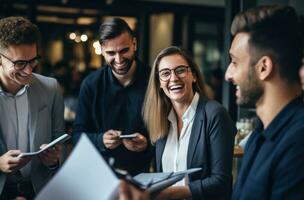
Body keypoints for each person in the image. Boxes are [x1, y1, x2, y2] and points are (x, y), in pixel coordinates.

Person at [225, 5, 304, 199]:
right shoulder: (259, 135)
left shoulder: (298, 143)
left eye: (235, 62)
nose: (228, 74)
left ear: (264, 67)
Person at [143, 46, 236, 200]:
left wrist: (167, 194)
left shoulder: (215, 114)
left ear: (193, 75)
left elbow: (221, 182)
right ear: (159, 83)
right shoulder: (160, 120)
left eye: (180, 70)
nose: (173, 78)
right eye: (165, 73)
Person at [72, 18, 152, 175]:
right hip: (98, 173)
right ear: (101, 50)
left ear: (134, 44)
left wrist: (146, 145)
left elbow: (169, 134)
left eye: (124, 50)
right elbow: (76, 136)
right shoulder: (91, 84)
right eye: (111, 53)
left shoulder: (154, 81)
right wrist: (100, 140)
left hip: (142, 175)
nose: (119, 60)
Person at [0, 17, 65, 199]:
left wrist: (54, 160)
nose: (29, 70)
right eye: (20, 63)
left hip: (40, 191)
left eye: (33, 60)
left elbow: (60, 141)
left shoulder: (51, 88)